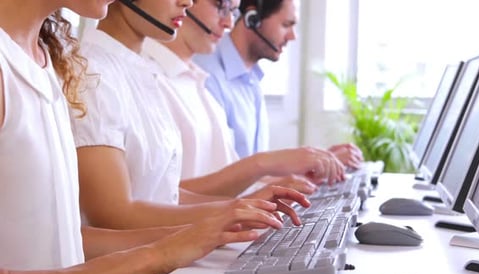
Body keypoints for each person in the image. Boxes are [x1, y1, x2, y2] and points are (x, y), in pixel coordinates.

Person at [0, 0, 301, 274]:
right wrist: (162, 252)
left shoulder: (46, 59)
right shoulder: (60, 67)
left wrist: (209, 228)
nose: (189, 2)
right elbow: (110, 214)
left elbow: (65, 238)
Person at [69, 0, 326, 231]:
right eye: (220, 6)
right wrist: (228, 211)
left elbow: (164, 195)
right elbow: (112, 215)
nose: (187, 3)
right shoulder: (92, 72)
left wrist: (247, 204)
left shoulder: (140, 70)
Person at [141, 0, 345, 198]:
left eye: (233, 10)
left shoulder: (196, 79)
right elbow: (161, 197)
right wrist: (265, 166)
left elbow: (228, 179)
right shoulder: (157, 79)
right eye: (221, 6)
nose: (229, 23)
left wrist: (293, 177)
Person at [193, 0, 364, 168]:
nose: (292, 36)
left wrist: (317, 161)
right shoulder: (205, 76)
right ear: (253, 18)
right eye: (286, 24)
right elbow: (222, 179)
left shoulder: (251, 79)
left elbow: (251, 174)